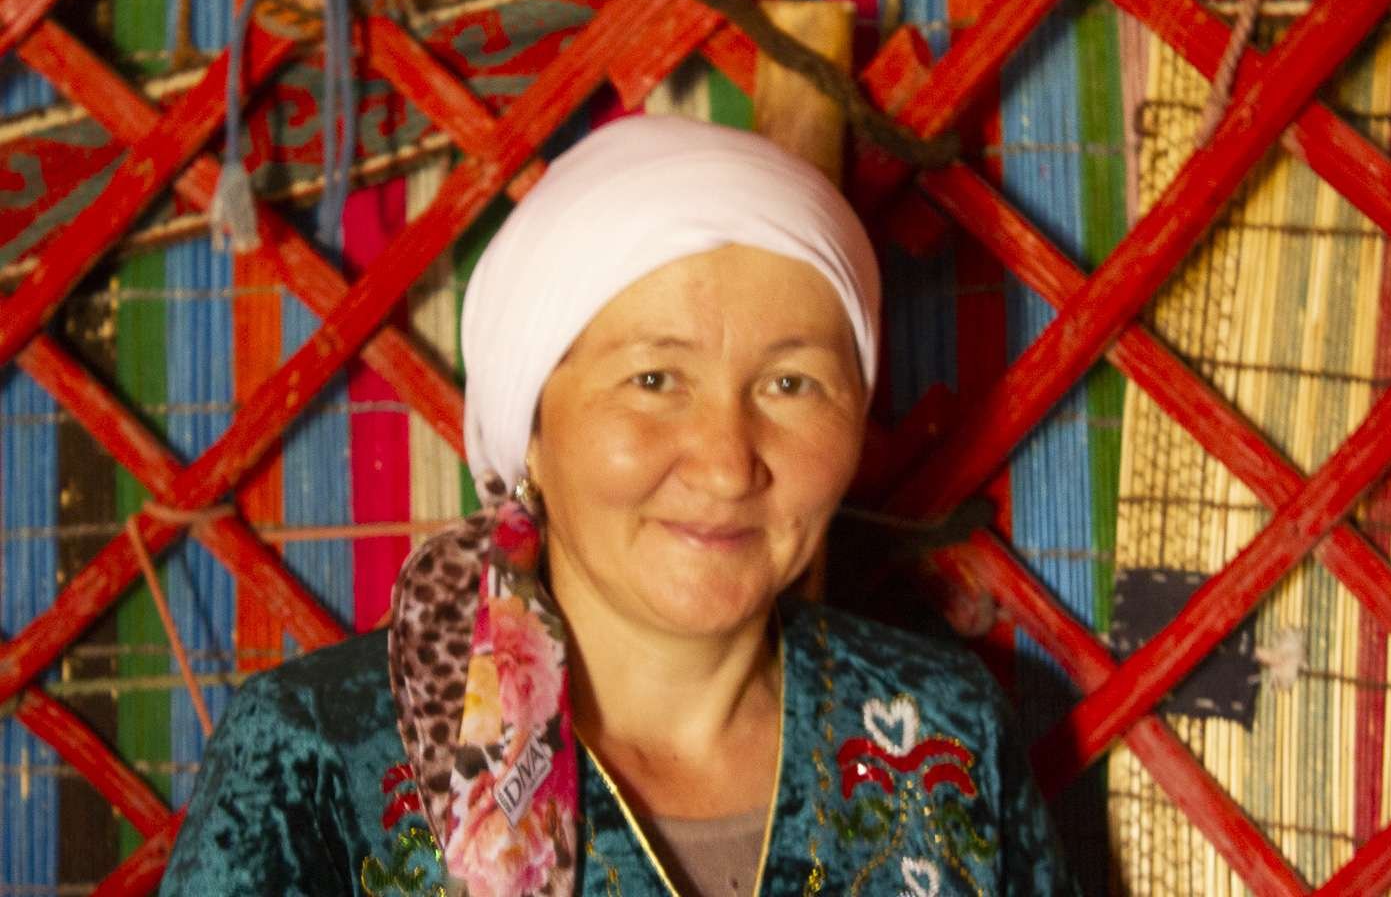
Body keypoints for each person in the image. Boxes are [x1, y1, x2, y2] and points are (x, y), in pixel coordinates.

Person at [161, 115, 1075, 896]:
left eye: (791, 385)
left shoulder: (944, 728)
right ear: (530, 427)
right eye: (654, 379)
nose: (726, 465)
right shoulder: (321, 757)